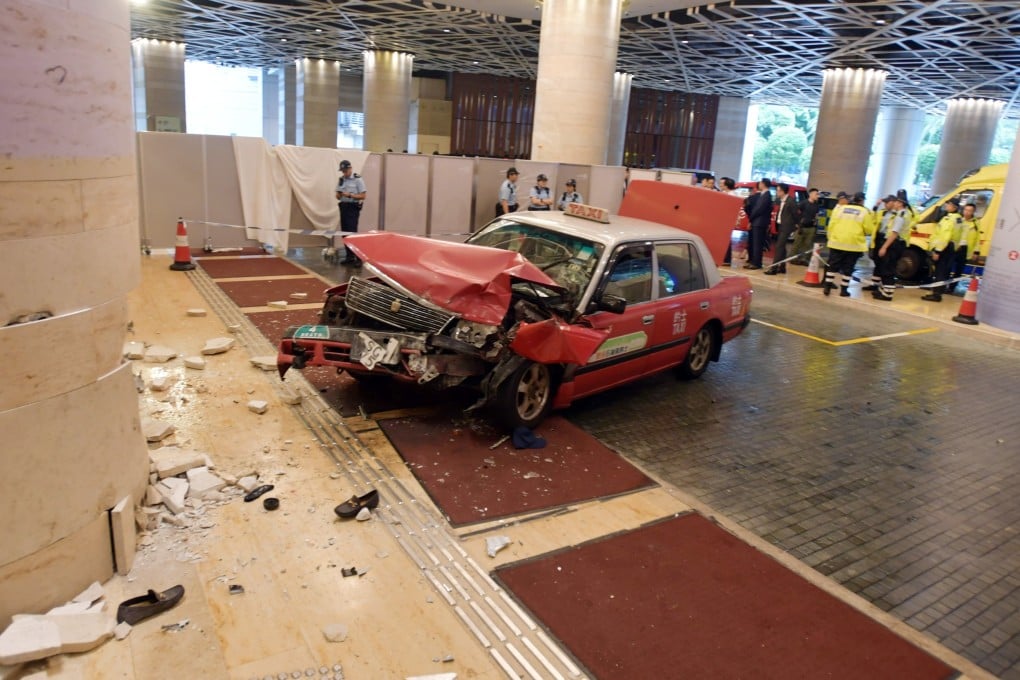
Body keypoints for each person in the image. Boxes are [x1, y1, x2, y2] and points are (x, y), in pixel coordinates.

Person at [823, 191, 871, 297]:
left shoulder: (842, 209)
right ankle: (844, 290)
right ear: (862, 200)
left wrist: (830, 238)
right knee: (848, 268)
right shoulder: (864, 212)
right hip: (853, 245)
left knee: (832, 266)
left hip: (837, 243)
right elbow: (868, 230)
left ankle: (827, 287)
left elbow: (832, 224)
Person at [922, 197, 964, 302]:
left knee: (940, 272)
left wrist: (938, 251)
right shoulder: (958, 219)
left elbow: (945, 236)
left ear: (953, 206)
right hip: (951, 249)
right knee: (944, 272)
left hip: (945, 249)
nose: (946, 206)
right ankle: (938, 292)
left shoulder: (950, 219)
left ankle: (936, 294)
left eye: (948, 204)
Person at [868, 195, 907, 302]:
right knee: (885, 268)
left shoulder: (900, 215)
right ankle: (884, 291)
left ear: (900, 203)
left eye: (896, 202)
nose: (894, 204)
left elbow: (894, 233)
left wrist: (884, 247)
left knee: (888, 270)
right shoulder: (897, 214)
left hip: (894, 244)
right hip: (892, 243)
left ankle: (887, 295)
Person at [335, 159, 367, 266]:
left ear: (350, 168)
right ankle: (349, 257)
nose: (344, 173)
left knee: (352, 233)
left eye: (345, 170)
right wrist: (339, 194)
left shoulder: (358, 179)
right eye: (342, 171)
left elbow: (363, 196)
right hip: (344, 207)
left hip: (353, 207)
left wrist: (350, 195)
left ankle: (358, 258)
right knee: (345, 234)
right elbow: (337, 196)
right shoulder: (341, 179)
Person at [765, 183, 799, 275]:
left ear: (783, 191)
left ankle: (773, 268)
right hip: (778, 225)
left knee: (779, 246)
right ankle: (782, 267)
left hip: (787, 227)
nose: (776, 192)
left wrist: (796, 225)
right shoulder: (778, 200)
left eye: (778, 190)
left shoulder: (791, 201)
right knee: (782, 247)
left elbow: (796, 214)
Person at [948, 202, 981, 291]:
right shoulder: (959, 220)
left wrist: (976, 251)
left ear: (973, 212)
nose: (967, 212)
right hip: (955, 247)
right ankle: (943, 285)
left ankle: (952, 288)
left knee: (959, 270)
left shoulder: (976, 223)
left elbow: (978, 238)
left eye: (970, 211)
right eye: (966, 210)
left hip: (965, 249)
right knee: (948, 267)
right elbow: (953, 233)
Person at [744, 178, 773, 270]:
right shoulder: (763, 195)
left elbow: (759, 209)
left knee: (757, 244)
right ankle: (753, 261)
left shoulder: (766, 195)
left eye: (760, 183)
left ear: (763, 184)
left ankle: (756, 263)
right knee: (755, 243)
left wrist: (751, 219)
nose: (759, 184)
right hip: (758, 222)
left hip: (759, 222)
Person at [790, 187, 820, 265]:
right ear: (811, 194)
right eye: (816, 194)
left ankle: (804, 259)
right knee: (797, 243)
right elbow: (796, 213)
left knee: (808, 244)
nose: (817, 196)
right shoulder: (803, 203)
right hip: (802, 227)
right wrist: (797, 224)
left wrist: (815, 224)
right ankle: (793, 258)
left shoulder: (816, 205)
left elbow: (816, 215)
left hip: (811, 227)